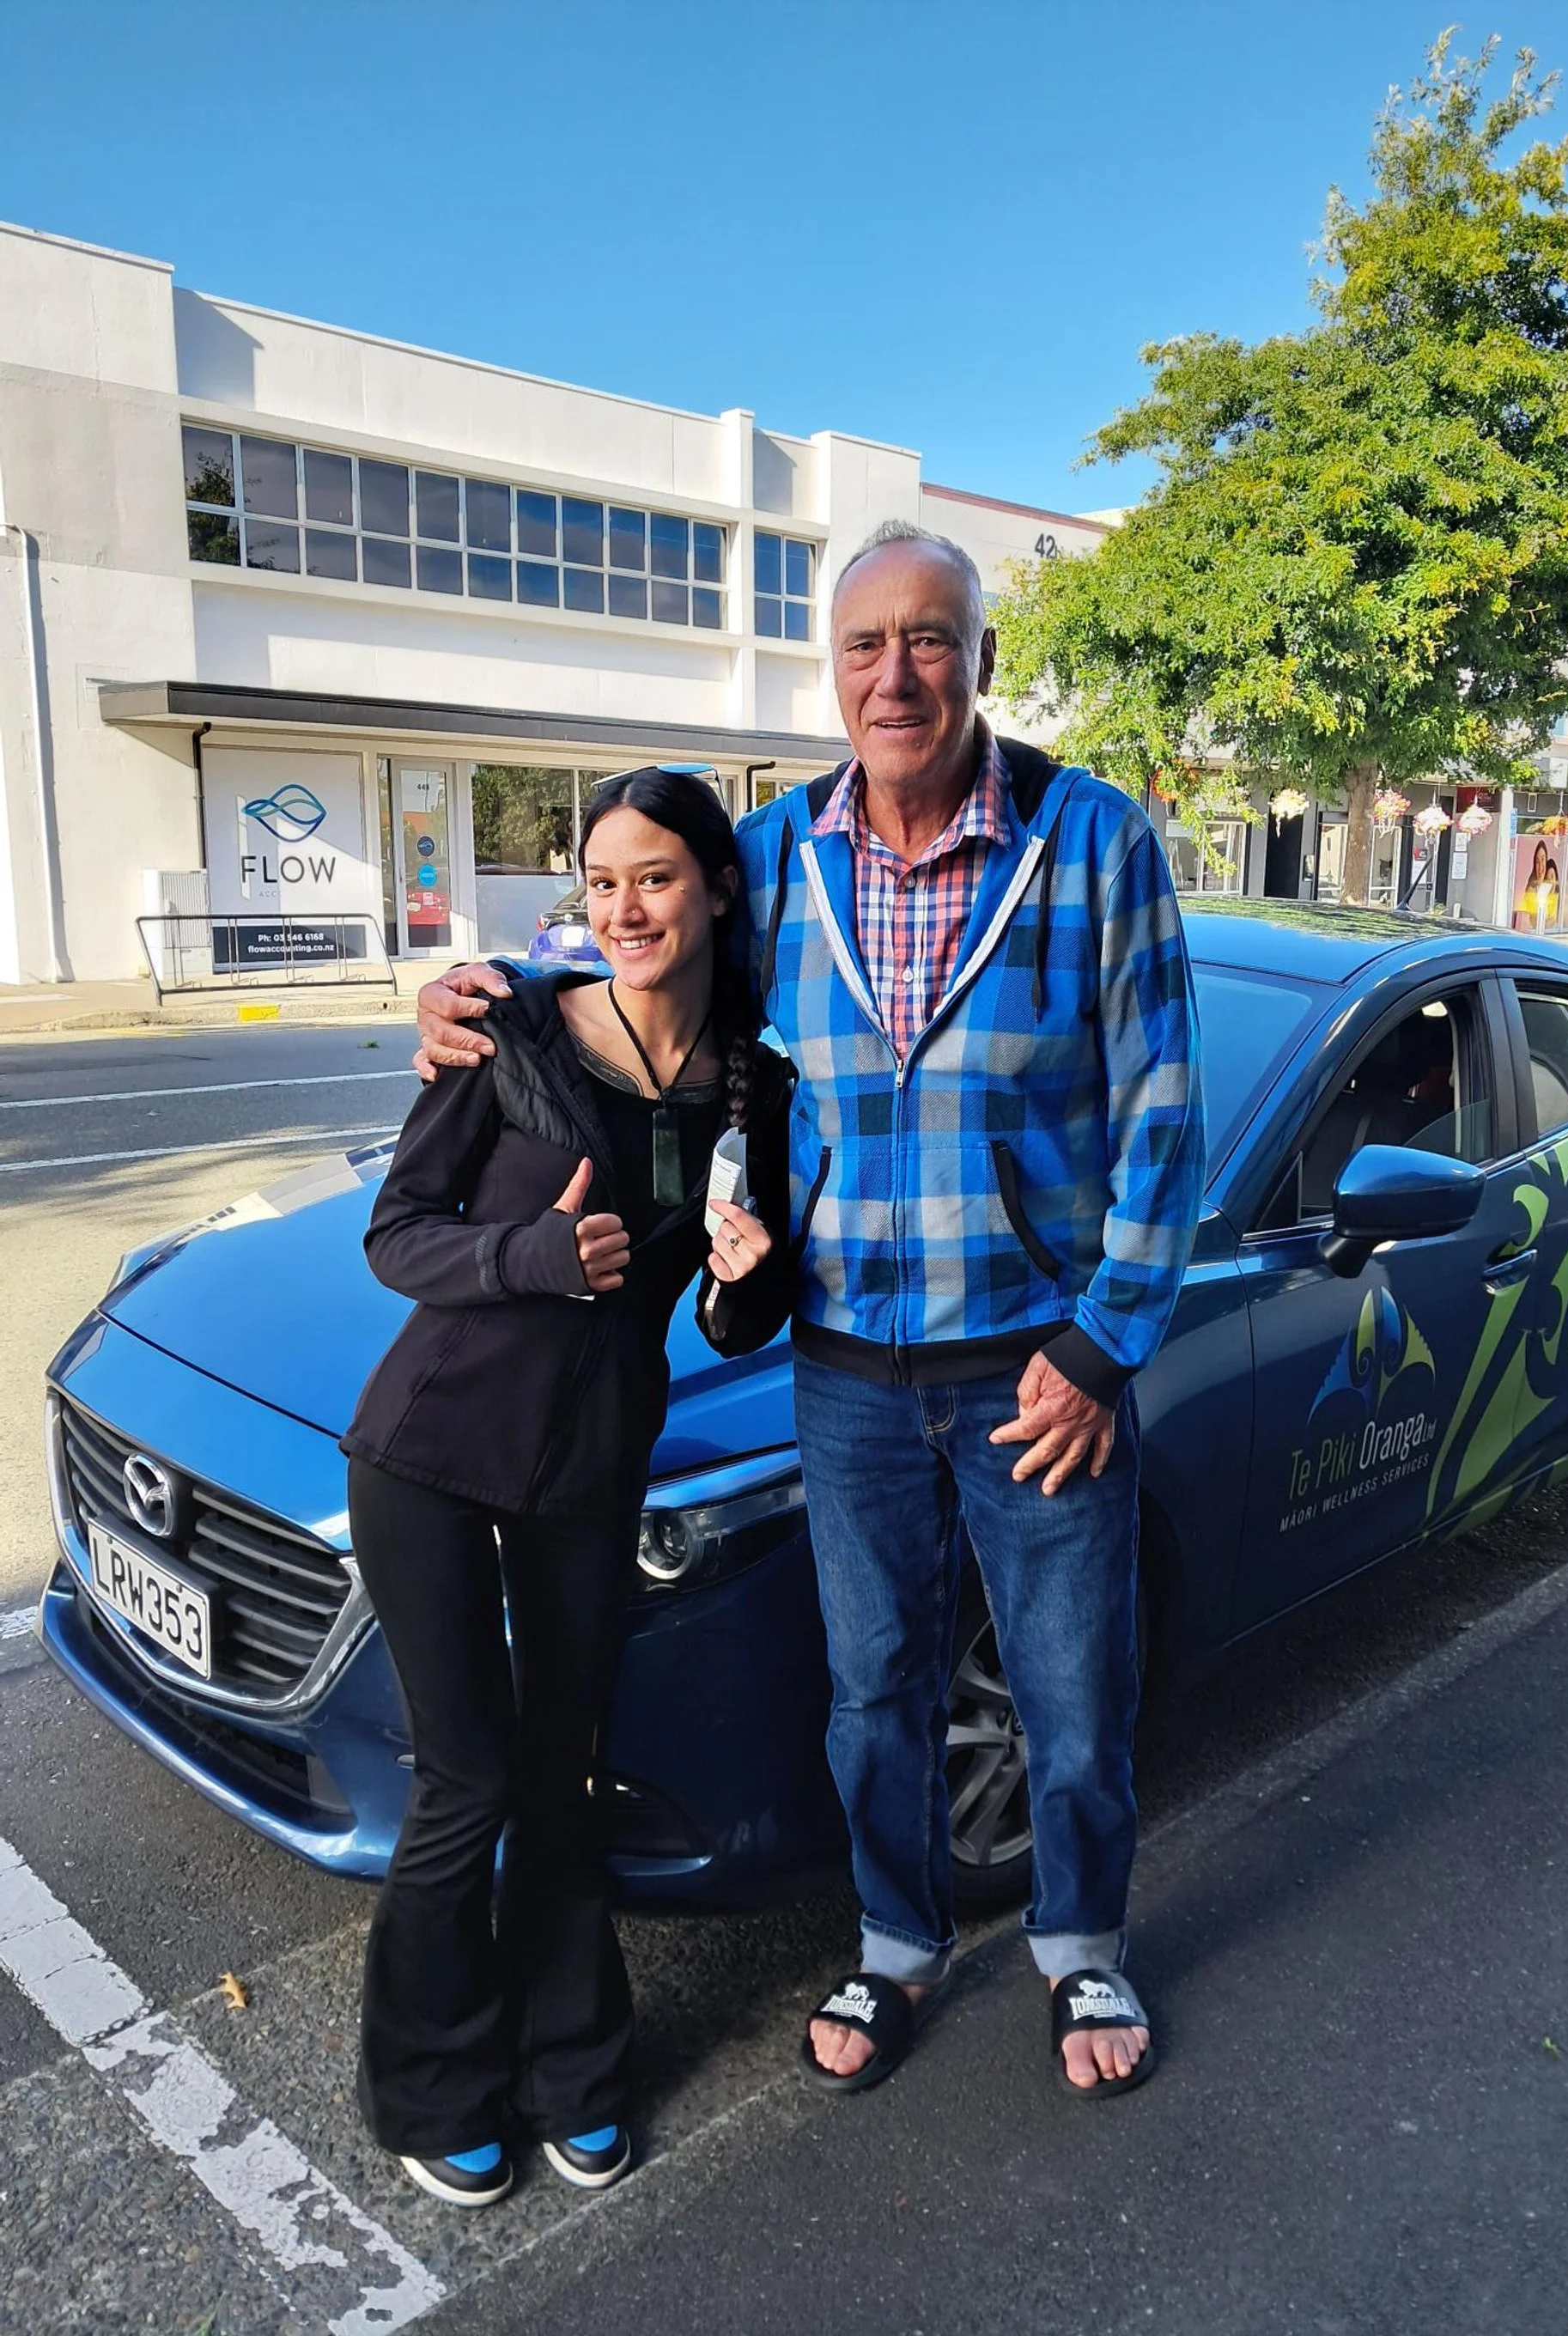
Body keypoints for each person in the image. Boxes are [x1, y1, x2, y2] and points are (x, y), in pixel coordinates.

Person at [416, 520, 1205, 2100]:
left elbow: (1165, 1115)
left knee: (1070, 1688)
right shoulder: (778, 859)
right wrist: (474, 988)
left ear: (982, 659)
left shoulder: (1097, 841)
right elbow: (634, 944)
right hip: (845, 1365)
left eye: (929, 640)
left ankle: (1081, 1944)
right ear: (830, 673)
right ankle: (898, 1942)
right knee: (874, 1690)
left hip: (1034, 1369)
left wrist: (1107, 1341)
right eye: (865, 646)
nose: (895, 674)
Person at [343, 767, 793, 2206]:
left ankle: (576, 2070)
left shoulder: (748, 1083)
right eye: (601, 884)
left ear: (713, 888)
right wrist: (528, 1260)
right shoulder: (509, 1030)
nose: (625, 908)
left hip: (590, 1470)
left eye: (654, 877)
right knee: (468, 1781)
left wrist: (753, 1281)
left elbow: (728, 1321)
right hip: (430, 1451)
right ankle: (431, 2085)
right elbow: (396, 1235)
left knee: (561, 1778)